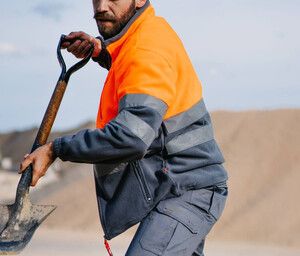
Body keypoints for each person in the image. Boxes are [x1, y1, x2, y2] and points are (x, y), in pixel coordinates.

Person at [20, 0, 228, 255]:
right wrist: (100, 51)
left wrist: (56, 149)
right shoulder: (146, 33)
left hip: (187, 192)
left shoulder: (147, 48)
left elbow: (131, 137)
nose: (102, 6)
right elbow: (132, 68)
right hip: (180, 186)